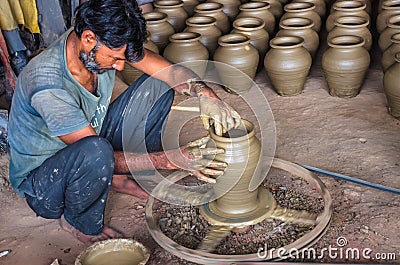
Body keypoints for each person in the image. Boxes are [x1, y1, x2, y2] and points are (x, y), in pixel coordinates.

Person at [8, 0, 241, 245]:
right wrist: (171, 160)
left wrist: (205, 94)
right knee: (96, 153)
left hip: (89, 141)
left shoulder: (98, 40)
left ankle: (117, 178)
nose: (120, 66)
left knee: (159, 85)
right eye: (115, 59)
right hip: (46, 184)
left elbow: (170, 73)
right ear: (88, 39)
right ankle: (77, 221)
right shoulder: (48, 85)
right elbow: (94, 151)